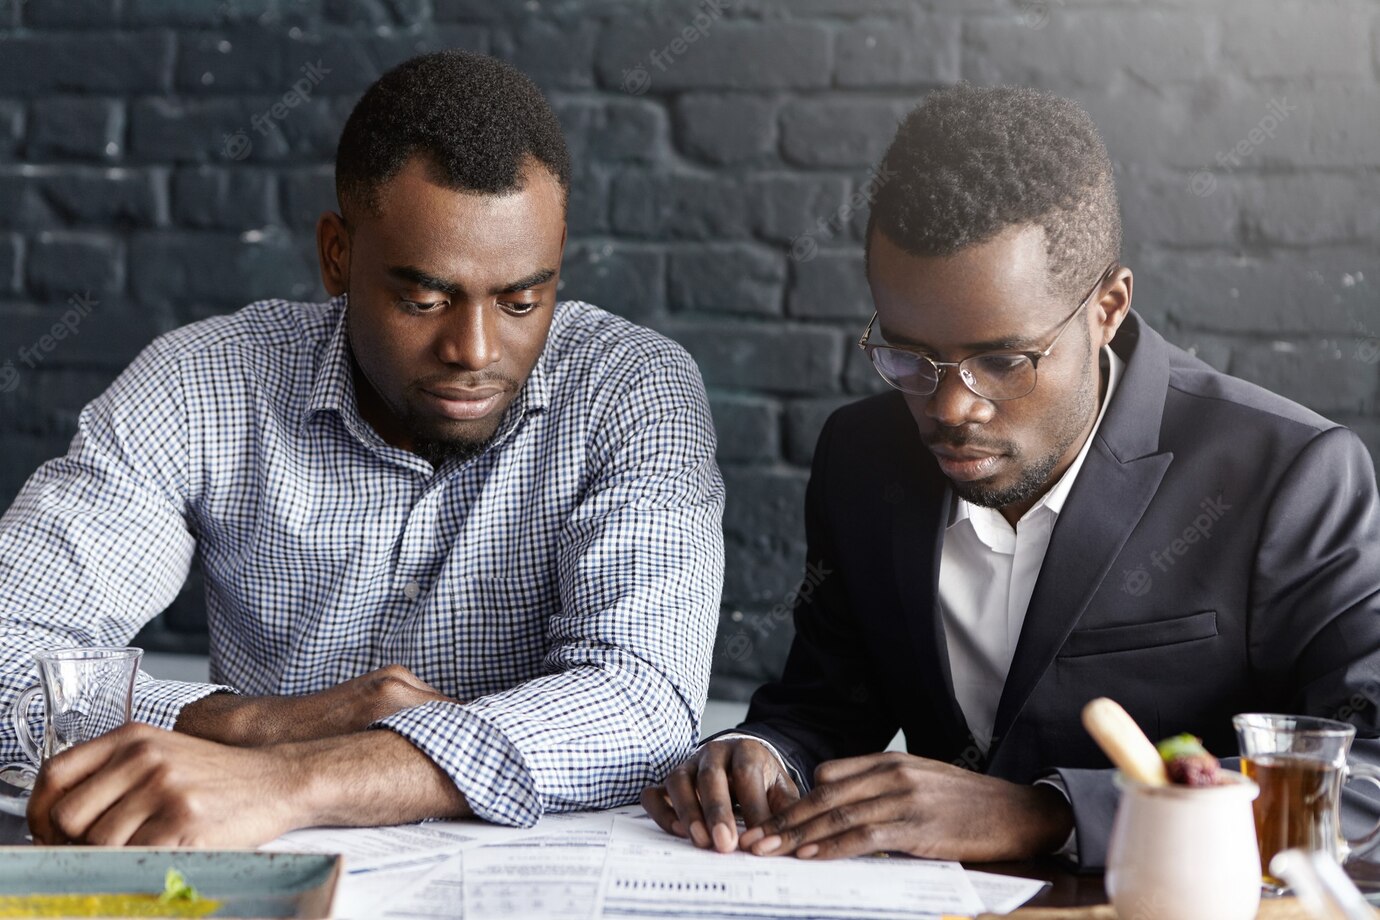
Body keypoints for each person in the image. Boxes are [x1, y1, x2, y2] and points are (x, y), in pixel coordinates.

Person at [643, 83, 1380, 870]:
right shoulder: (862, 458)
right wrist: (760, 752)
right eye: (907, 355)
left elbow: (1364, 777)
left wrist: (1050, 815)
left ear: (1109, 307)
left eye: (1002, 359)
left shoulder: (1288, 476)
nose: (951, 407)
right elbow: (832, 702)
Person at [0, 51, 724, 847]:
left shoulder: (633, 390)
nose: (475, 349)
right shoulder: (199, 385)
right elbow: (12, 641)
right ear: (337, 256)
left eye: (522, 299)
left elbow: (644, 700)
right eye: (424, 298)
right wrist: (251, 724)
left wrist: (294, 777)